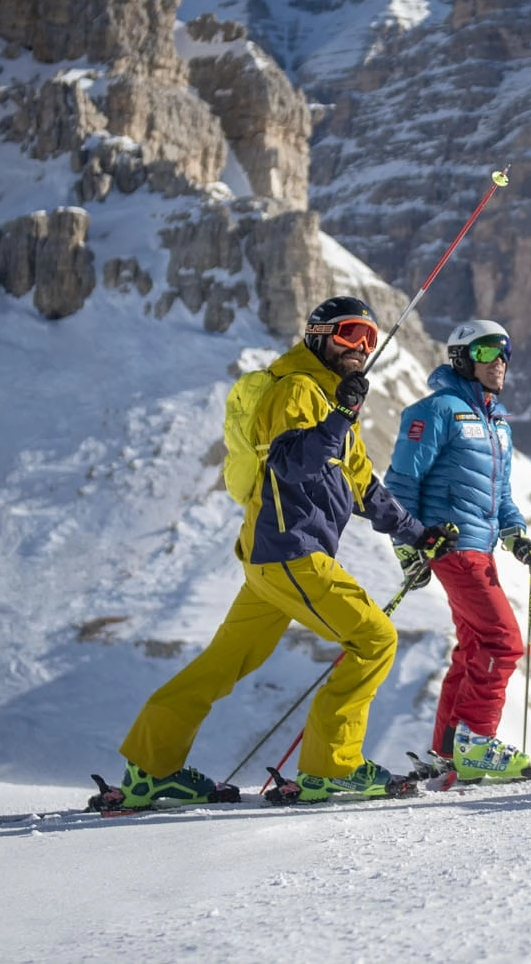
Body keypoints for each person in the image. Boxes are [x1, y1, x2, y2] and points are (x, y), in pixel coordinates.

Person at [113, 296, 457, 805]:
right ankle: (331, 767)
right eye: (348, 335)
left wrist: (415, 532)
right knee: (375, 639)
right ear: (318, 335)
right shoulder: (296, 390)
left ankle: (150, 768)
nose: (361, 347)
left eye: (368, 338)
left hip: (271, 562)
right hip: (291, 551)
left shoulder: (331, 397)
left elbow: (361, 484)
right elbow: (292, 463)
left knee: (222, 664)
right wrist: (340, 415)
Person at [386, 319, 531, 782]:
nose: (498, 361)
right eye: (485, 352)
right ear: (461, 358)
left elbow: (499, 496)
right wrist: (409, 547)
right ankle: (477, 743)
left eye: (504, 352)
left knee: (476, 645)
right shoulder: (435, 411)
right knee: (504, 641)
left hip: (482, 548)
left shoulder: (497, 421)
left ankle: (448, 748)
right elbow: (401, 483)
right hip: (451, 545)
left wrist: (517, 535)